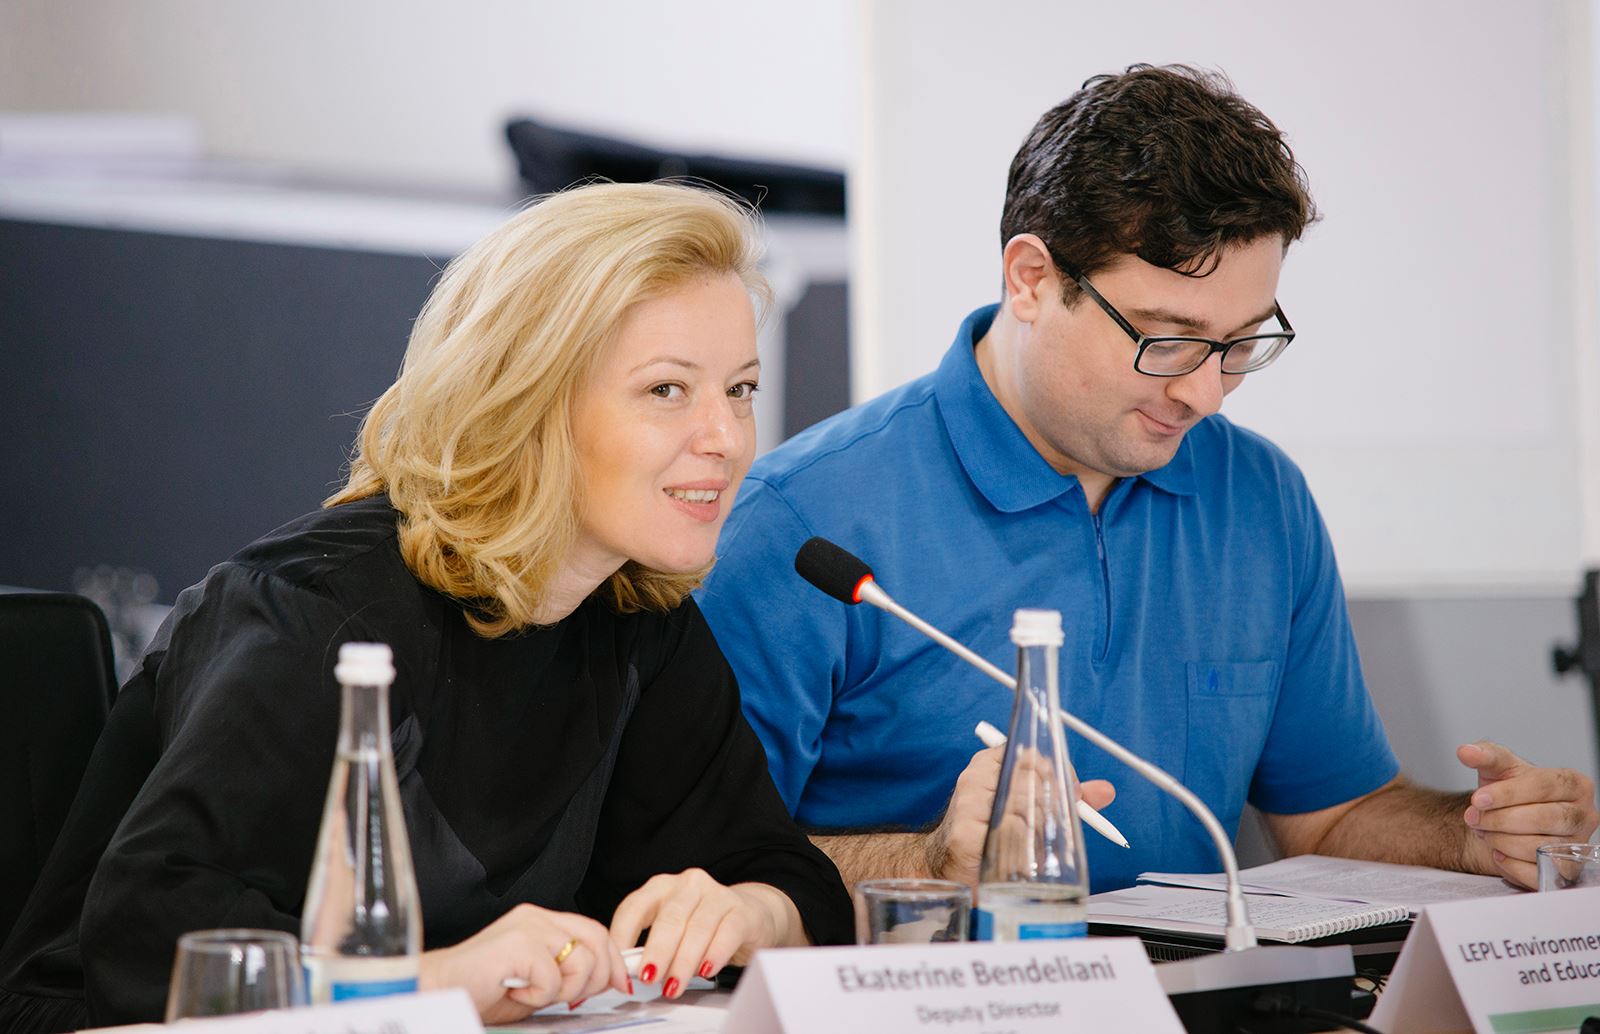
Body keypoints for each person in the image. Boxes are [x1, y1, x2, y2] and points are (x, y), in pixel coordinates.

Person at [696, 65, 1599, 897]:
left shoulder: (1261, 498)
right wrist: (929, 862)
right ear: (1031, 280)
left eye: (1241, 343)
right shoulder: (801, 524)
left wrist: (1476, 836)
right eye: (1167, 340)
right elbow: (700, 865)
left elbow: (1331, 816)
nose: (1206, 394)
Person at [0, 181, 851, 1033]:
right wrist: (435, 981)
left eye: (740, 390)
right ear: (528, 400)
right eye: (667, 390)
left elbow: (780, 871)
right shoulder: (314, 610)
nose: (727, 438)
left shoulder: (636, 613)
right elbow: (151, 939)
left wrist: (753, 913)